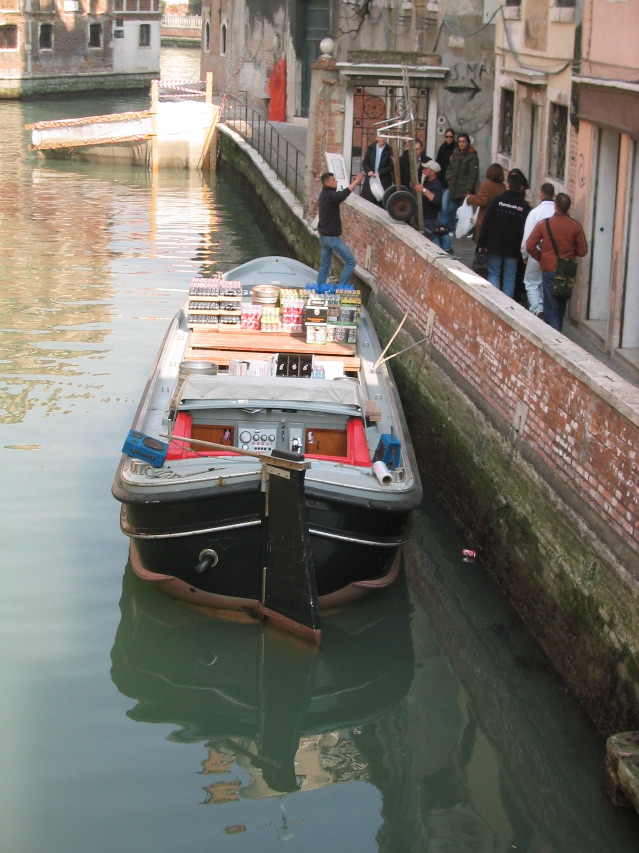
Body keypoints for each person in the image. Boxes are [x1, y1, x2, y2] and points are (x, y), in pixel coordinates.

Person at [525, 192, 588, 332]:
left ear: (555, 206)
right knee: (561, 303)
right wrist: (569, 251)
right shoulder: (575, 226)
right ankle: (557, 329)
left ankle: (554, 335)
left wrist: (542, 257)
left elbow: (530, 245)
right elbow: (582, 251)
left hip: (549, 267)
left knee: (550, 304)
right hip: (566, 270)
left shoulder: (545, 224)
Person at [476, 172, 531, 297]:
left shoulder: (497, 201)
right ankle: (507, 304)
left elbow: (486, 223)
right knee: (509, 276)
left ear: (508, 185)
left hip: (495, 244)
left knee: (493, 273)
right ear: (521, 187)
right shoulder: (524, 207)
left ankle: (494, 300)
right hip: (513, 247)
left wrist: (481, 243)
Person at [316, 170, 365, 286]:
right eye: (334, 180)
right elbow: (343, 195)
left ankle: (319, 288)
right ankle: (341, 287)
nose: (336, 181)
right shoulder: (330, 196)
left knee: (324, 265)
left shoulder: (323, 195)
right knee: (350, 261)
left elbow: (339, 195)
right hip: (332, 238)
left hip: (323, 237)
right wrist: (356, 181)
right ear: (327, 183)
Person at [520, 183, 555, 318]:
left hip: (537, 252)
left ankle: (537, 309)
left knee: (532, 283)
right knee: (547, 285)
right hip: (553, 256)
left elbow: (527, 238)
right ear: (553, 195)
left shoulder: (535, 212)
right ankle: (547, 310)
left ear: (541, 195)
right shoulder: (557, 213)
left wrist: (525, 254)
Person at [444, 132, 479, 232]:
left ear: (467, 142)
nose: (461, 144)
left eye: (463, 141)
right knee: (451, 210)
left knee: (464, 212)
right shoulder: (456, 154)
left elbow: (473, 175)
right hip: (454, 187)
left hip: (465, 189)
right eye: (459, 142)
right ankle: (451, 229)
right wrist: (449, 179)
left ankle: (464, 230)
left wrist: (469, 189)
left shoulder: (472, 156)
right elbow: (450, 168)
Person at [414, 160, 451, 252]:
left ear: (432, 172)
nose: (423, 171)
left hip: (430, 219)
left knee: (434, 239)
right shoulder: (428, 182)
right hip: (428, 217)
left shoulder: (436, 184)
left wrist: (423, 190)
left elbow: (436, 200)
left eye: (426, 169)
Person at [466, 163, 507, 244]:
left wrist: (470, 198)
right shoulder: (503, 187)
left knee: (482, 244)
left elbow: (482, 201)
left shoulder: (486, 185)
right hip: (497, 218)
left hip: (485, 218)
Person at [361, 132, 393, 205]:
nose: (383, 139)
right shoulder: (371, 148)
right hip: (371, 178)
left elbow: (391, 166)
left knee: (381, 202)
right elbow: (365, 162)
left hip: (383, 179)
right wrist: (368, 171)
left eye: (385, 137)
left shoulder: (389, 150)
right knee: (368, 201)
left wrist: (380, 173)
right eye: (381, 137)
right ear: (377, 138)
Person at [436, 128, 456, 229]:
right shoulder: (442, 147)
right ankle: (443, 224)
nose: (449, 139)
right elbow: (438, 162)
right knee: (443, 204)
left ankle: (444, 224)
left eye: (451, 137)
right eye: (447, 137)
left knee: (446, 204)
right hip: (441, 180)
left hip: (450, 181)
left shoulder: (455, 149)